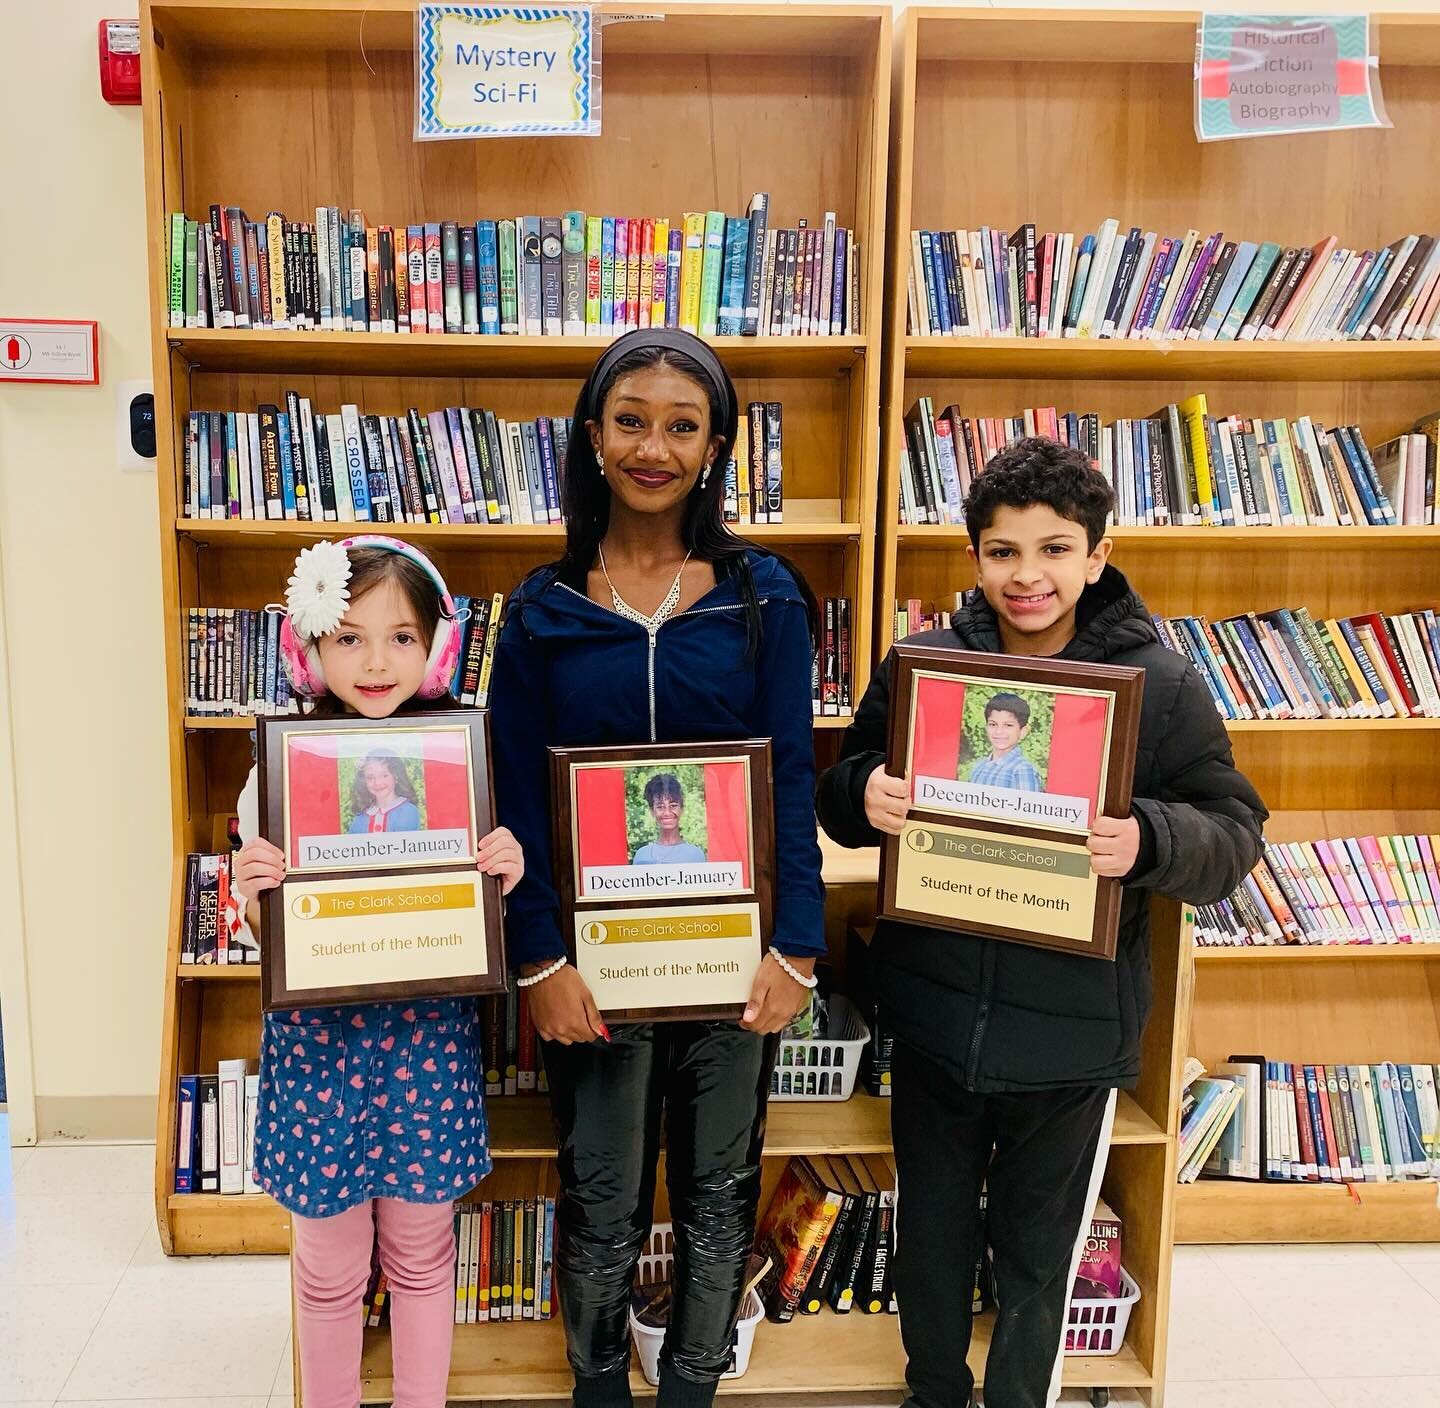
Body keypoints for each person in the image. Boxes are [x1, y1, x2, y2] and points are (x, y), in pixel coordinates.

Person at [816, 438, 1267, 1408]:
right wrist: (870, 792)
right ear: (974, 556)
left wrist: (1147, 837)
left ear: (1098, 555)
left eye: (1055, 549)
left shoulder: (1164, 686)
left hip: (1070, 1044)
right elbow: (841, 790)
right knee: (930, 1234)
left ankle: (1021, 1398)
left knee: (1037, 1250)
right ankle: (932, 1389)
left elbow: (1233, 832)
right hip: (935, 1027)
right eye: (1003, 551)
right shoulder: (926, 665)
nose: (1029, 575)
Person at [489, 327, 825, 1408]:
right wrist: (539, 957)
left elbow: (795, 779)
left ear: (716, 447)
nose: (654, 445)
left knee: (721, 1191)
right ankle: (597, 1390)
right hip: (597, 967)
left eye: (683, 426)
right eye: (631, 419)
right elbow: (514, 796)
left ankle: (689, 1389)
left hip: (733, 963)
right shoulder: (541, 609)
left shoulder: (763, 596)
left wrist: (800, 946)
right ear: (593, 436)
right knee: (602, 1199)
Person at [232, 536, 524, 1408]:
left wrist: (501, 874)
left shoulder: (461, 766)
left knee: (423, 1259)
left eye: (402, 637)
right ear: (311, 645)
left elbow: (475, 918)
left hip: (423, 1049)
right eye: (349, 635)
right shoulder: (275, 774)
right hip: (318, 1050)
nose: (374, 660)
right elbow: (262, 931)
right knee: (327, 1271)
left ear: (435, 647)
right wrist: (255, 899)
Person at [965, 691, 1044, 791]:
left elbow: (1027, 805)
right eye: (993, 724)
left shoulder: (1022, 770)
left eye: (1008, 725)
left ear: (1023, 732)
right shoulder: (978, 766)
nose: (999, 731)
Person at [631, 772, 706, 865]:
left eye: (673, 805)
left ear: (681, 809)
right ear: (652, 811)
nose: (667, 813)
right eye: (660, 807)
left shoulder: (695, 855)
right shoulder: (642, 856)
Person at [348, 750, 423, 833]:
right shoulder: (360, 818)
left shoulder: (408, 811)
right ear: (364, 781)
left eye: (384, 775)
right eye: (370, 777)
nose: (377, 782)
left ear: (396, 776)